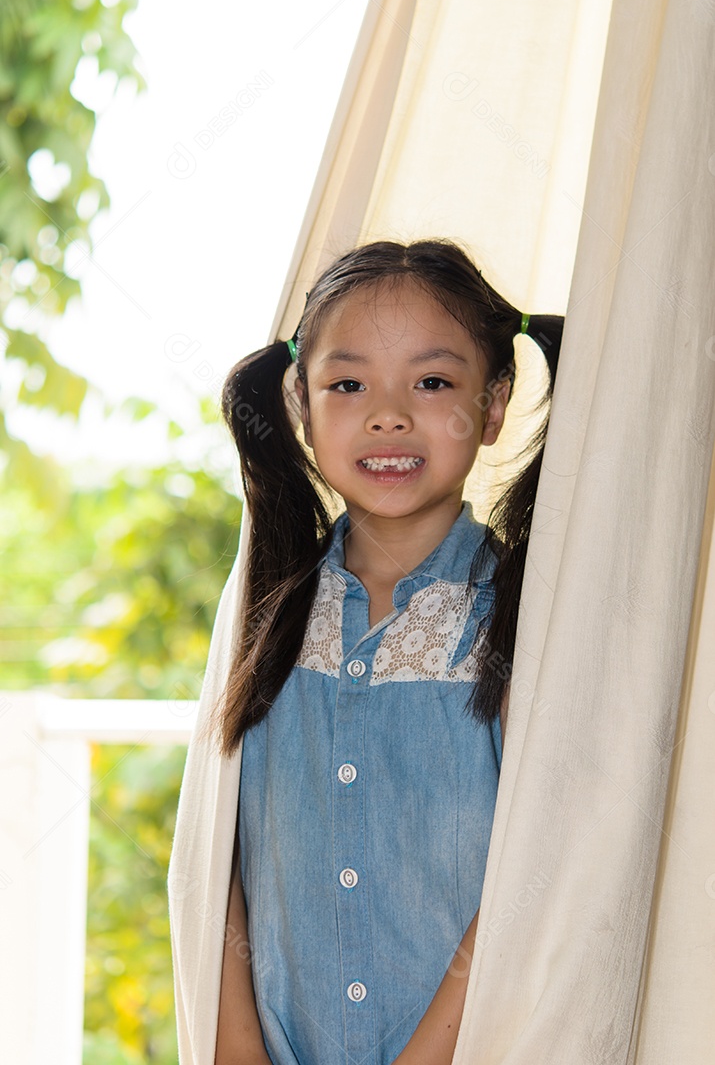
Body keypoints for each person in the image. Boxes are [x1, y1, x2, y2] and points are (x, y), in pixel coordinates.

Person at [210, 239, 562, 1065]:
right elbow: (216, 860)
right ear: (298, 399)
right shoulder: (265, 611)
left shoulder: (526, 616)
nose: (388, 413)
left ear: (494, 403)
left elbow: (538, 866)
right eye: (348, 383)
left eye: (432, 381)